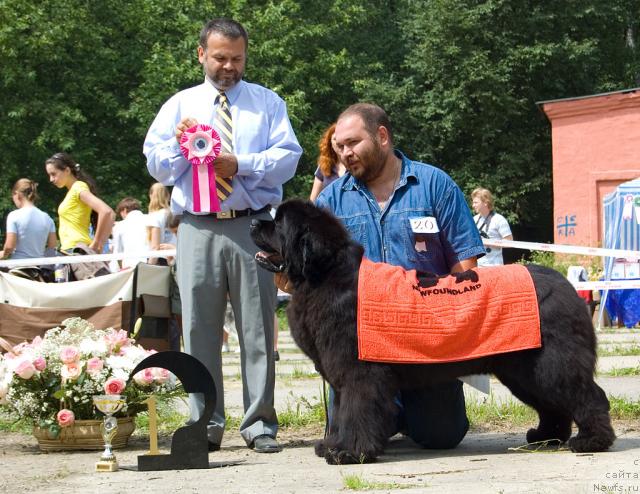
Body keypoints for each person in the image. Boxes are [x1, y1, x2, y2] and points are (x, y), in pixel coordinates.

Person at [143, 18, 302, 453]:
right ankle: (204, 424)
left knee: (258, 328)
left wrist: (241, 164)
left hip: (253, 225)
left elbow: (288, 158)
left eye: (237, 58)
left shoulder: (267, 103)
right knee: (198, 328)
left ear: (246, 56)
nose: (229, 66)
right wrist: (181, 147)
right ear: (201, 55)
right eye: (220, 58)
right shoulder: (179, 105)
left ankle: (259, 425)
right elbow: (155, 162)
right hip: (196, 226)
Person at [307, 103, 486, 450]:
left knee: (441, 436)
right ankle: (384, 415)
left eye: (353, 143)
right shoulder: (330, 200)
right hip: (361, 352)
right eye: (339, 147)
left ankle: (410, 412)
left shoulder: (435, 184)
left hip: (426, 342)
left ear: (382, 137)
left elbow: (467, 267)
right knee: (347, 441)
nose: (345, 153)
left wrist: (453, 329)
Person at [44, 152, 115, 253]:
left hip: (75, 250)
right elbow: (111, 214)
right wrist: (99, 244)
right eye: (49, 175)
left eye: (53, 174)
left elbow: (107, 212)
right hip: (71, 250)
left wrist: (97, 243)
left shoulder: (78, 187)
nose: (51, 179)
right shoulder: (73, 190)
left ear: (67, 170)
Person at [0, 179, 57, 260]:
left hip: (18, 267)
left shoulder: (14, 215)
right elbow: (52, 247)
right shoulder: (47, 218)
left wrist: (3, 255)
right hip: (38, 269)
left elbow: (9, 246)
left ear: (17, 194)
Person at [471, 187, 513, 266]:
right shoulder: (474, 219)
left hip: (494, 267)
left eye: (476, 202)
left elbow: (509, 241)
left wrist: (491, 242)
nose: (473, 205)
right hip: (477, 266)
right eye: (473, 203)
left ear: (485, 203)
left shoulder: (499, 219)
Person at [309, 123, 346, 202]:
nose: (339, 142)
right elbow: (313, 200)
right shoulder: (324, 166)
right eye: (335, 139)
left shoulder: (357, 166)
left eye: (342, 138)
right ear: (330, 143)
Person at [112, 197, 149, 269]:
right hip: (152, 264)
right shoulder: (151, 219)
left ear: (124, 210)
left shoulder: (119, 225)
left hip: (129, 267)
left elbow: (117, 253)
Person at [146, 182, 176, 265]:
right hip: (175, 258)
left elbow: (155, 247)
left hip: (161, 260)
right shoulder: (175, 214)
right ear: (167, 196)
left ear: (151, 196)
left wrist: (149, 267)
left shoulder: (155, 216)